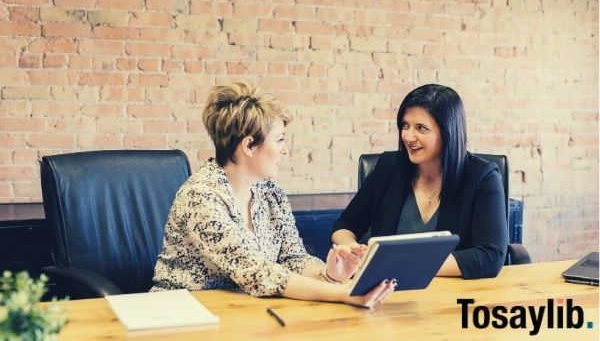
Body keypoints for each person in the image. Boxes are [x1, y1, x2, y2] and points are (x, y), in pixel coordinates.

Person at [152, 82, 395, 308]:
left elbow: (293, 258)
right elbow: (258, 273)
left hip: (243, 311)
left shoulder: (269, 192)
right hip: (180, 314)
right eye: (279, 140)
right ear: (248, 146)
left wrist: (329, 274)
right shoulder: (200, 197)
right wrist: (345, 293)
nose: (285, 150)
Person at [331, 84, 508, 279]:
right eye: (405, 126)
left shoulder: (482, 176)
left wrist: (402, 265)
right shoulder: (389, 167)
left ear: (447, 133)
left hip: (452, 296)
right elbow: (345, 224)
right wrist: (351, 247)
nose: (408, 136)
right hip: (385, 293)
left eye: (421, 128)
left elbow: (491, 256)